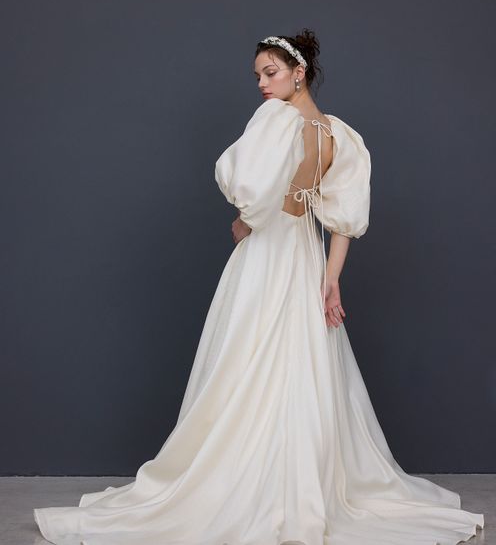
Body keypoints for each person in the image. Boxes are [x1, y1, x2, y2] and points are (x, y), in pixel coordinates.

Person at [33, 30, 484, 545]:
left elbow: (250, 188)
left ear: (299, 72)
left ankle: (244, 482)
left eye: (271, 73)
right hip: (306, 257)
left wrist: (247, 220)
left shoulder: (277, 120)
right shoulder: (338, 135)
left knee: (245, 357)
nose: (263, 86)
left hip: (269, 255)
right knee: (298, 362)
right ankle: (294, 485)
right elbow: (343, 218)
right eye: (257, 77)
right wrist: (331, 279)